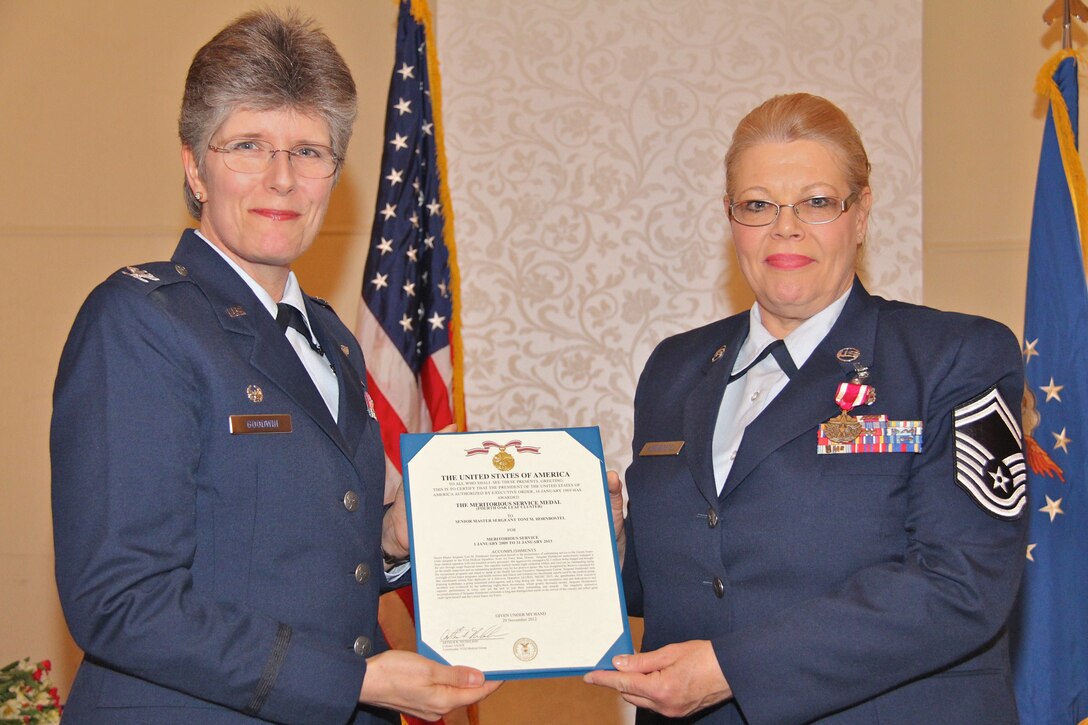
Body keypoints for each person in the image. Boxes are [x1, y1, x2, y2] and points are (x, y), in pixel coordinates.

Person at [51, 10, 499, 723]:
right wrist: (354, 681)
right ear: (194, 165)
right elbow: (121, 600)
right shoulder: (141, 321)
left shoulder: (330, 338)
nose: (282, 179)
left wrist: (389, 540)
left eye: (310, 151)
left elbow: (301, 560)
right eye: (249, 146)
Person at [585, 93, 1027, 723]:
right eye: (758, 205)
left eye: (817, 202)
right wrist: (615, 538)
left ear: (862, 213)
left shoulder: (955, 356)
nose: (784, 227)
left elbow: (962, 586)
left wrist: (732, 670)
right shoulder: (674, 367)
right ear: (731, 218)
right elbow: (678, 583)